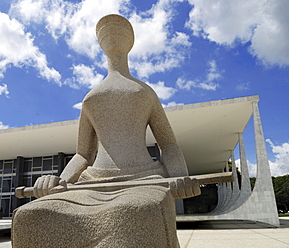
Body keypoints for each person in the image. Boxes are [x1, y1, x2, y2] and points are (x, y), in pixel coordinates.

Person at [12, 14, 200, 248]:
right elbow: (83, 155)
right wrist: (58, 181)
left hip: (143, 179)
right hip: (91, 182)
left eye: (120, 28)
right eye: (105, 29)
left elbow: (168, 144)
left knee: (137, 212)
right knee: (33, 214)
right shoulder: (91, 98)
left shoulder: (145, 92)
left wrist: (178, 176)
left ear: (131, 41)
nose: (112, 31)